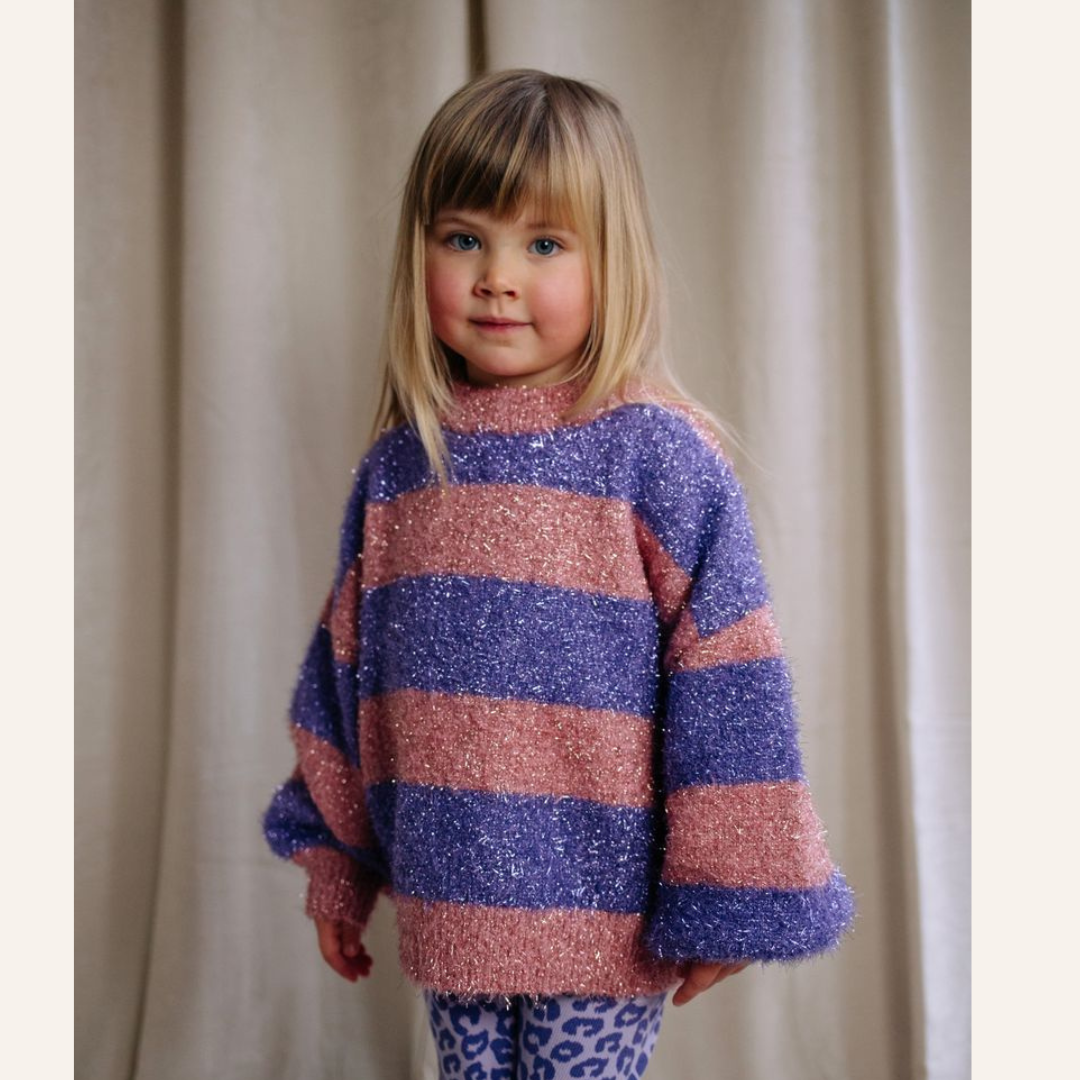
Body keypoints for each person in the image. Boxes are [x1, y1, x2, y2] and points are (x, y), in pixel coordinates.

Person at [262, 68, 856, 1079]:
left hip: (605, 922)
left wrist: (732, 894)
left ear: (610, 259)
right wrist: (337, 867)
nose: (498, 277)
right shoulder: (403, 470)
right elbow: (345, 679)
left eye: (543, 244)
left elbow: (732, 684)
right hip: (453, 907)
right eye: (464, 239)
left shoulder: (655, 459)